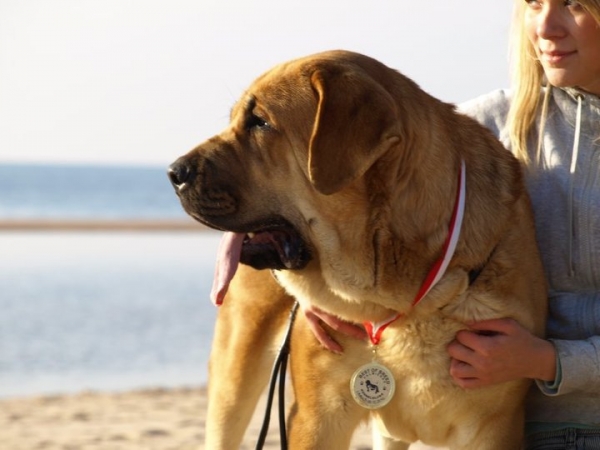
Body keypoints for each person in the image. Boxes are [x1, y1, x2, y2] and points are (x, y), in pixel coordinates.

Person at [304, 0, 600, 448]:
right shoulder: (481, 129)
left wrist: (547, 361)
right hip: (514, 427)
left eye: (574, 4)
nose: (545, 27)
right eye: (534, 4)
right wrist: (318, 291)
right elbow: (334, 197)